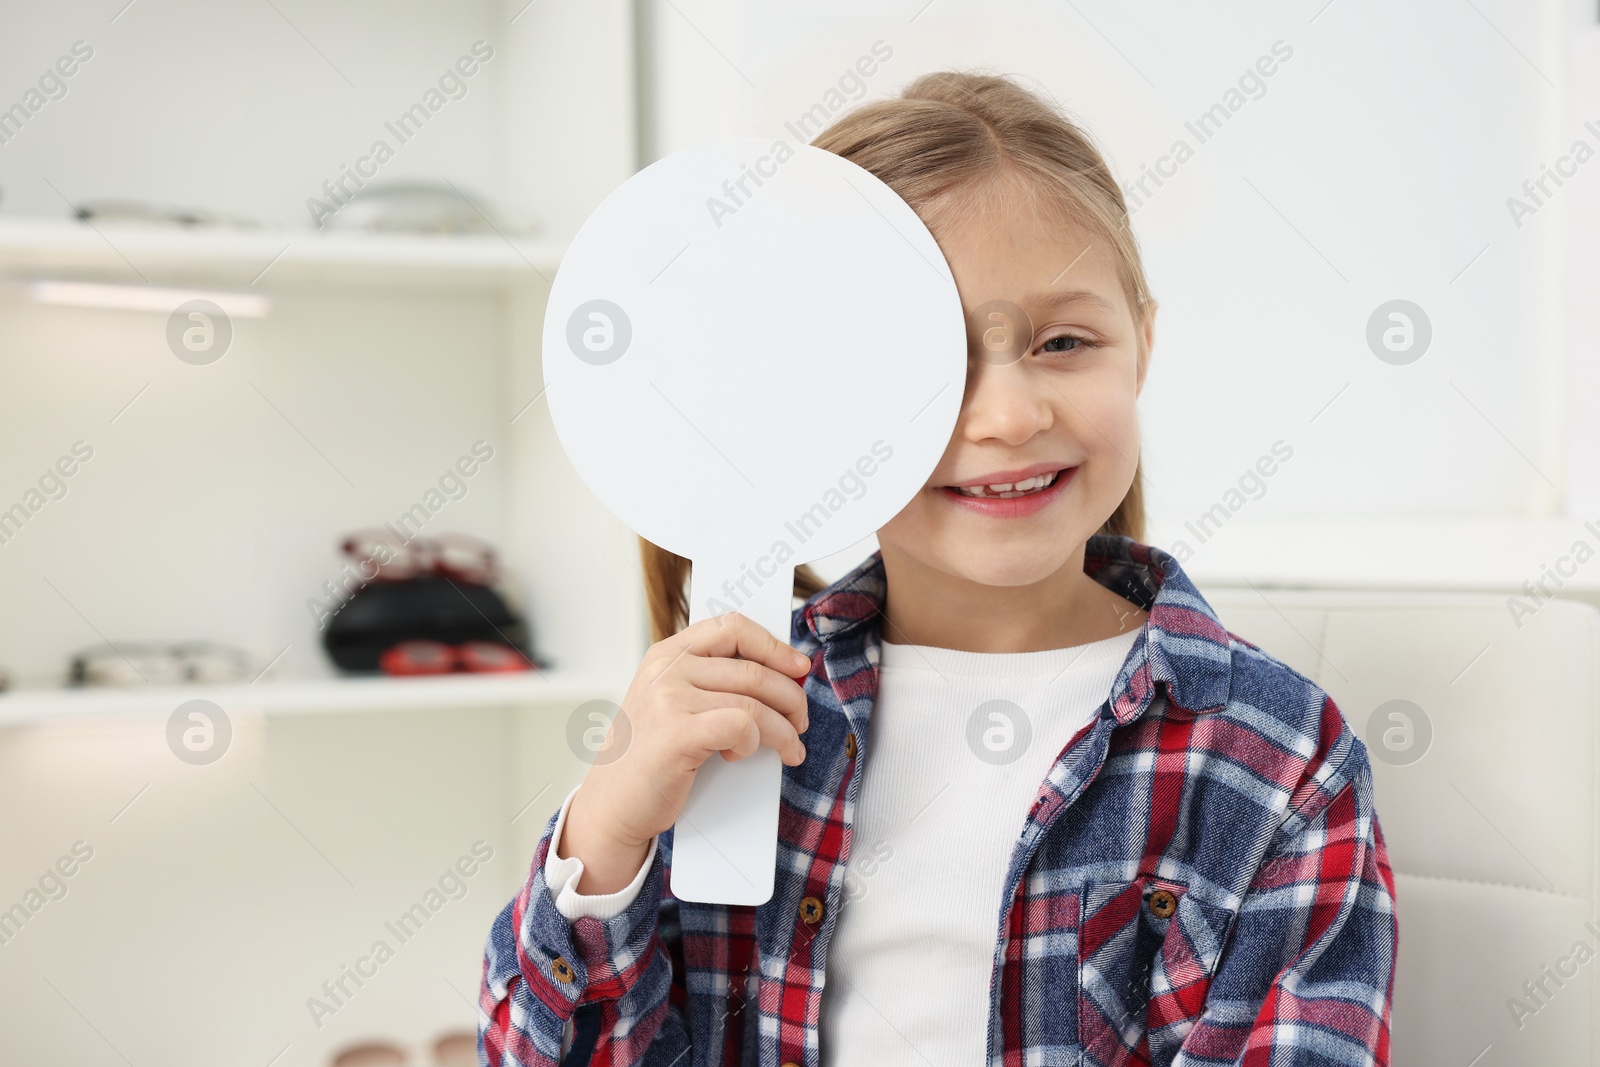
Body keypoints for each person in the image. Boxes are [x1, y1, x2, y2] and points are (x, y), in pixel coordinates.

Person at [479, 69, 1397, 1066]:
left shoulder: (1273, 757)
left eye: (1063, 341)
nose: (1008, 415)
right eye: (935, 360)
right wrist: (604, 838)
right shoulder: (730, 724)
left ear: (1142, 341)